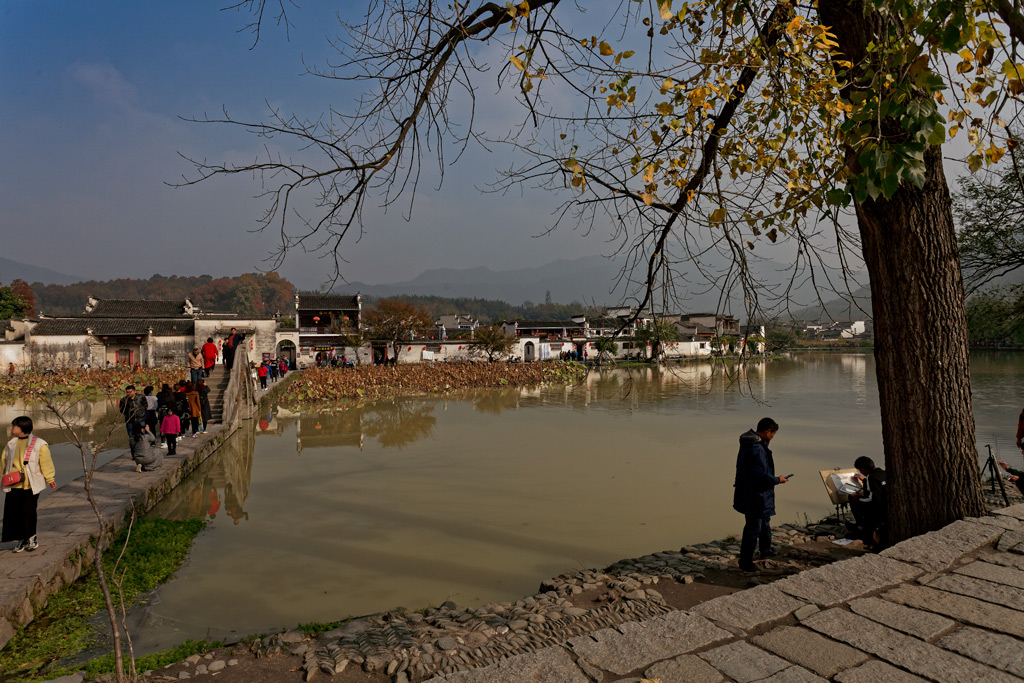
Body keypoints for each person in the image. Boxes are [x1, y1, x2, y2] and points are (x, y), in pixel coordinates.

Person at [733, 417, 788, 573]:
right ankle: (746, 562)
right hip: (755, 495)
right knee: (753, 528)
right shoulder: (756, 448)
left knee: (764, 521)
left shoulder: (751, 444)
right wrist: (778, 480)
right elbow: (759, 475)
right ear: (767, 431)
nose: (773, 438)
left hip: (754, 493)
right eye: (773, 434)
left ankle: (765, 550)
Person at [3, 416, 56, 552]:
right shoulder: (11, 444)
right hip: (14, 484)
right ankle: (21, 539)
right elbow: (3, 462)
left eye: (14, 426)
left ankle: (32, 537)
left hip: (31, 485)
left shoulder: (39, 444)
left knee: (28, 511)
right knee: (13, 512)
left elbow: (45, 463)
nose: (12, 429)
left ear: (22, 428)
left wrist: (50, 478)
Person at [848, 456, 888, 550]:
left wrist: (857, 498)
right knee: (859, 495)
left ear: (862, 469)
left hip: (878, 509)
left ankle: (861, 526)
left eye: (860, 470)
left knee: (852, 498)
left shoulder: (871, 478)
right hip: (886, 505)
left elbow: (870, 498)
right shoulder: (882, 473)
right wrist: (864, 480)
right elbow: (875, 489)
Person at [118, 385, 147, 457]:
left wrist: (139, 411)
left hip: (140, 419)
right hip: (130, 420)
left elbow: (145, 406)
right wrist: (129, 412)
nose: (128, 394)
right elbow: (122, 410)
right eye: (127, 392)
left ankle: (143, 452)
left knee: (142, 436)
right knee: (131, 437)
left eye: (130, 392)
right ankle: (134, 454)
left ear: (134, 391)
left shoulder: (141, 397)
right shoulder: (123, 400)